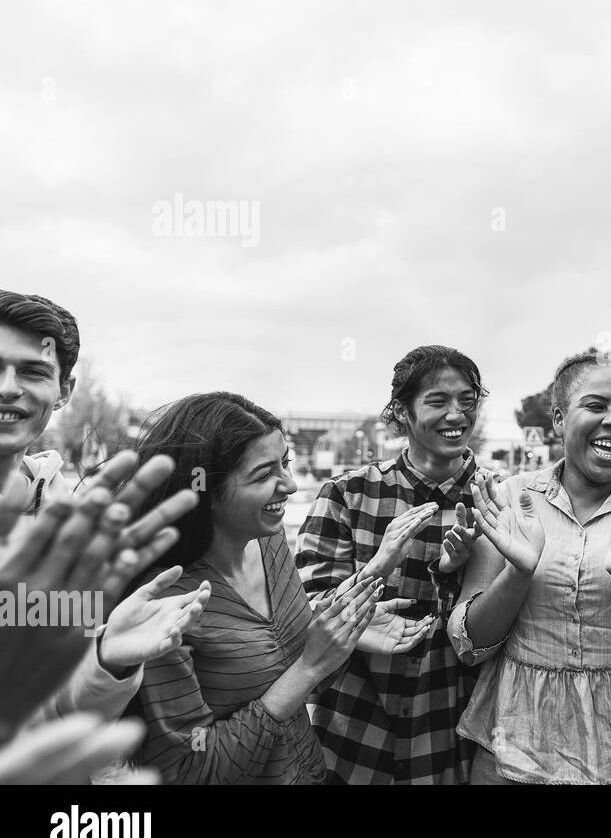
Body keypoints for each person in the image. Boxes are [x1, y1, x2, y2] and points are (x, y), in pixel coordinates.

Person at [449, 353, 611, 784]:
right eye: (595, 406)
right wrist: (519, 573)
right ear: (557, 419)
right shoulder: (512, 497)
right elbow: (471, 643)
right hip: (520, 750)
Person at [131, 393, 382, 784]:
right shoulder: (166, 603)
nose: (292, 485)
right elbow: (186, 770)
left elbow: (289, 658)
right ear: (204, 492)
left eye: (286, 463)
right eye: (264, 475)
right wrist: (309, 666)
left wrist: (342, 625)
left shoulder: (270, 541)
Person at [0, 290, 207, 731]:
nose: (7, 388)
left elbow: (63, 713)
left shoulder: (66, 518)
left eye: (33, 371)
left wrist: (108, 661)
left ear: (63, 392)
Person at [295, 345, 489, 784]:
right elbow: (307, 610)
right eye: (438, 401)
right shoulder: (348, 494)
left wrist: (451, 573)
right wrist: (377, 569)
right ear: (401, 411)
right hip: (350, 734)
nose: (456, 415)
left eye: (467, 400)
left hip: (451, 736)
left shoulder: (498, 502)